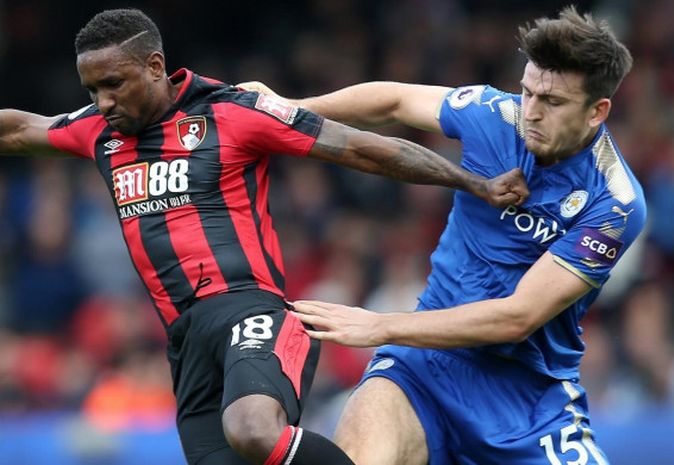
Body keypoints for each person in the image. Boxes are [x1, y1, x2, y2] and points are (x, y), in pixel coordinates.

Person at [0, 8, 528, 465]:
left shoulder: (233, 113)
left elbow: (364, 148)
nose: (104, 101)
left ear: (155, 66)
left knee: (253, 428)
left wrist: (472, 182)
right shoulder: (97, 130)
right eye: (93, 89)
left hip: (253, 313)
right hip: (186, 342)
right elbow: (19, 129)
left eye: (114, 84)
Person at [244, 6, 646, 465]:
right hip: (422, 369)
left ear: (598, 111)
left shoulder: (615, 202)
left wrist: (380, 325)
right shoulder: (496, 114)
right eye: (528, 91)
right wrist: (286, 111)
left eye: (552, 103)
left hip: (526, 401)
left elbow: (517, 317)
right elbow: (393, 101)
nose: (530, 112)